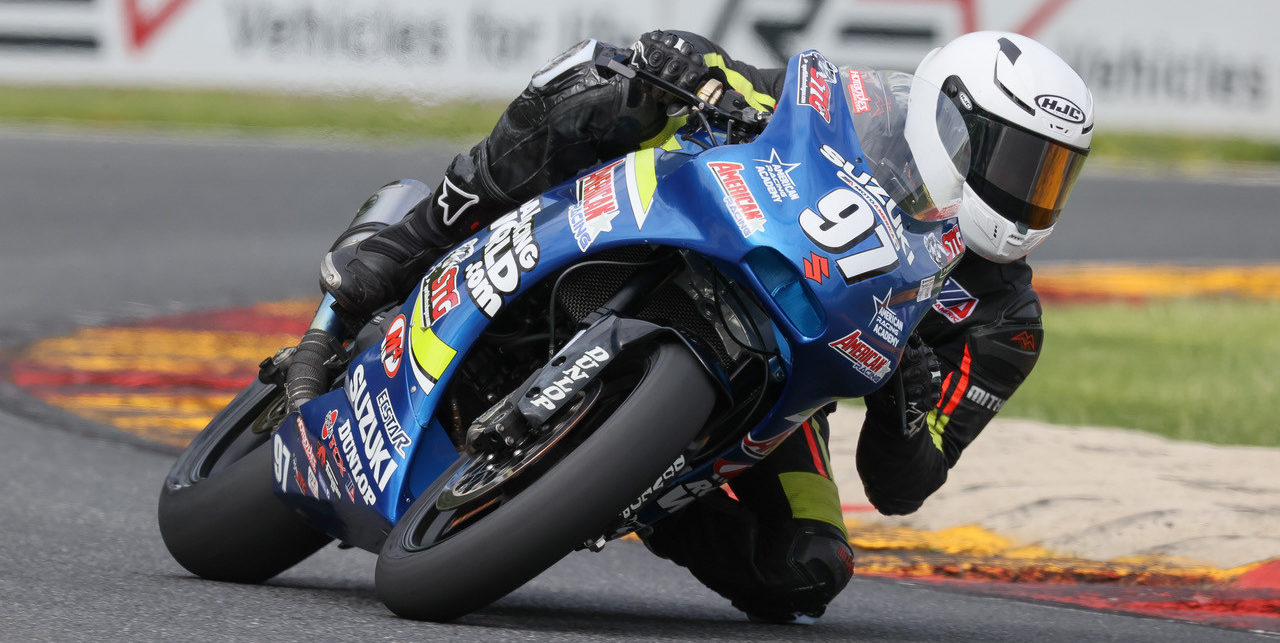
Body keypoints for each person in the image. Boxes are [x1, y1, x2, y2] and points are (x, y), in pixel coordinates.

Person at [320, 30, 1093, 622]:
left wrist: (908, 399)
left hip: (789, 382)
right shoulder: (864, 107)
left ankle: (630, 492)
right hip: (720, 241)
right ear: (947, 118)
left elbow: (903, 484)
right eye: (1019, 162)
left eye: (1052, 173)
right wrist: (690, 66)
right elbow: (758, 89)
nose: (1030, 194)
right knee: (608, 81)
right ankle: (414, 238)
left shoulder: (1004, 323)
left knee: (807, 567)